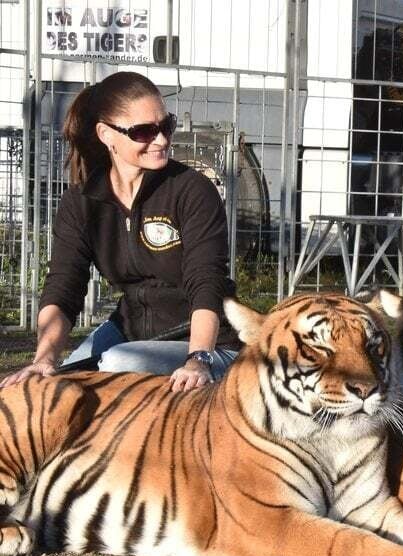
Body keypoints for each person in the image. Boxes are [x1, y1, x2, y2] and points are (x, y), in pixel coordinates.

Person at [1, 71, 240, 392]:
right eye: (144, 131)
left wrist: (199, 359)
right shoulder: (81, 201)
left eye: (166, 125)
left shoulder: (192, 190)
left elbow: (207, 282)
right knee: (59, 381)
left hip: (208, 343)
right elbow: (63, 286)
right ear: (106, 134)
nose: (162, 139)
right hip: (130, 330)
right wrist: (44, 359)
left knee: (118, 364)